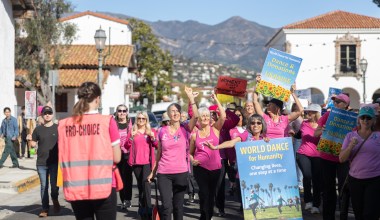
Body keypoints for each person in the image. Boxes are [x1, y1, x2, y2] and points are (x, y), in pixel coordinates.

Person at [58, 82, 121, 220]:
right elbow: (116, 158)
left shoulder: (64, 125)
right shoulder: (107, 122)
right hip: (103, 186)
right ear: (98, 99)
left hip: (76, 186)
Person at [147, 86, 198, 220]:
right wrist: (153, 171)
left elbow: (196, 116)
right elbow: (159, 154)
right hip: (164, 173)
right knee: (166, 206)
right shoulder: (162, 131)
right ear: (169, 115)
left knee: (178, 207)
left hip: (181, 172)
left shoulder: (186, 128)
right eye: (172, 111)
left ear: (181, 114)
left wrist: (191, 98)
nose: (175, 113)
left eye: (177, 111)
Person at [314, 93, 351, 220]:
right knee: (328, 189)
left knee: (343, 190)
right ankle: (328, 217)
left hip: (343, 158)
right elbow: (315, 133)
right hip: (326, 157)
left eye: (339, 102)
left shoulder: (352, 118)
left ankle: (343, 216)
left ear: (346, 105)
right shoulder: (327, 115)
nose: (335, 104)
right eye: (334, 101)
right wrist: (322, 130)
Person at [339, 105, 380, 219]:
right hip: (355, 180)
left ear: (373, 120)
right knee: (359, 213)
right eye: (363, 118)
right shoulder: (350, 136)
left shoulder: (378, 136)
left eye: (368, 118)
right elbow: (342, 159)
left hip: (374, 179)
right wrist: (351, 146)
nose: (365, 120)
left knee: (370, 213)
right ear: (359, 120)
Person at [189, 94, 226, 220]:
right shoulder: (195, 135)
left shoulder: (215, 129)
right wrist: (192, 160)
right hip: (200, 168)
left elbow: (223, 116)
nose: (205, 118)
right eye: (202, 116)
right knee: (204, 192)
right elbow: (190, 152)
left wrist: (216, 99)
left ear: (209, 118)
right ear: (198, 119)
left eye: (206, 116)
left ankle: (206, 215)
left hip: (216, 168)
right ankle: (205, 215)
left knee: (210, 194)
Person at [27, 106, 60, 217]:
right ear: (42, 115)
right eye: (45, 113)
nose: (47, 115)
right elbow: (33, 145)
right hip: (41, 162)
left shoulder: (58, 128)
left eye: (49, 113)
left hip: (55, 162)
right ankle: (45, 209)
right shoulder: (38, 129)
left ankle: (55, 199)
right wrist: (30, 139)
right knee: (44, 186)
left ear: (52, 114)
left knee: (54, 187)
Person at [127, 111, 157, 210]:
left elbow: (157, 145)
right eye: (139, 118)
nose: (141, 120)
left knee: (146, 186)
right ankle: (142, 210)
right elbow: (126, 146)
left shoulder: (150, 131)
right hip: (136, 163)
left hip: (147, 163)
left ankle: (148, 209)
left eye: (143, 118)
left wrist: (152, 137)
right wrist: (131, 137)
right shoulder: (132, 131)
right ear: (136, 120)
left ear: (146, 120)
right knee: (140, 187)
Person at [295, 104, 322, 214]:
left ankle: (316, 204)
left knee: (316, 179)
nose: (307, 114)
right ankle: (308, 200)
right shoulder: (304, 123)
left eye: (310, 112)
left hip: (318, 155)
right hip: (303, 153)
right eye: (307, 112)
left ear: (316, 113)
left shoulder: (322, 125)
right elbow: (298, 135)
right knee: (307, 175)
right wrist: (292, 134)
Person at [114, 104, 133, 209]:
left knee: (128, 178)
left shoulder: (131, 125)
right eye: (120, 111)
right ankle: (123, 200)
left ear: (127, 112)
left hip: (128, 154)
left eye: (124, 111)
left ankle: (128, 199)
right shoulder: (114, 125)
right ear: (117, 112)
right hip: (117, 155)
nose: (122, 113)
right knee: (119, 178)